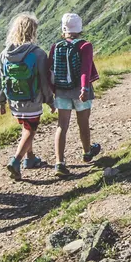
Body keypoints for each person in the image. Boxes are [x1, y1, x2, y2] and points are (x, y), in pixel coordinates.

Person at [0, 14, 54, 181]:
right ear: (33, 31)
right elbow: (44, 80)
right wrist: (50, 100)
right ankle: (16, 160)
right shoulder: (38, 54)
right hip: (32, 100)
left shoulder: (4, 54)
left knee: (26, 126)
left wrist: (0, 101)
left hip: (14, 100)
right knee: (30, 129)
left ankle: (30, 158)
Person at [49, 12, 100, 176]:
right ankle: (86, 152)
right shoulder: (85, 46)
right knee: (83, 123)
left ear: (63, 29)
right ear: (79, 28)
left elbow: (50, 71)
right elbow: (85, 69)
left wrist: (52, 92)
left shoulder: (56, 46)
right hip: (80, 91)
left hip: (61, 92)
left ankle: (59, 162)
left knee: (61, 126)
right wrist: (84, 89)